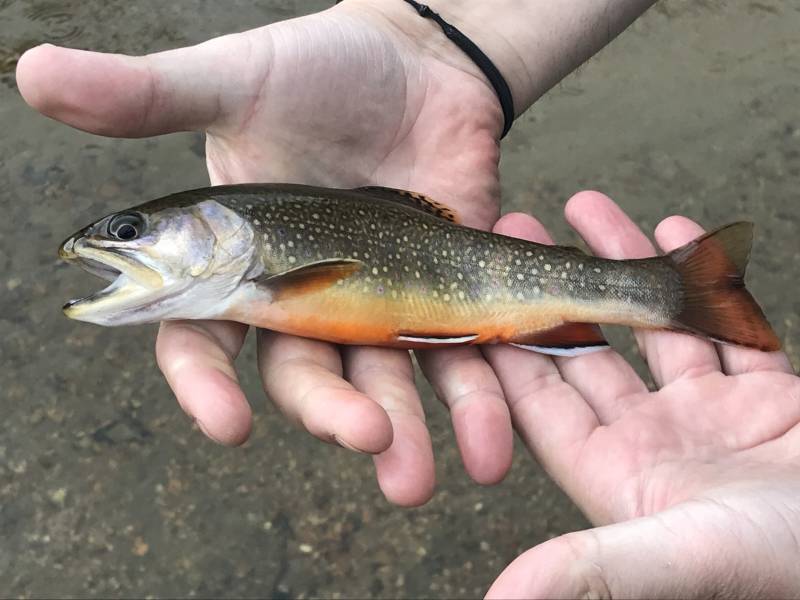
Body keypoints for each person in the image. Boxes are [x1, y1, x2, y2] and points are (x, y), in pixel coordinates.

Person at [16, 0, 800, 596]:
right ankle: (672, 287)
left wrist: (437, 33)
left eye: (130, 231)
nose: (111, 245)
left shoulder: (261, 281)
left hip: (451, 281)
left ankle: (672, 289)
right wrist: (445, 33)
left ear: (215, 228)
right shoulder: (244, 274)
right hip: (454, 283)